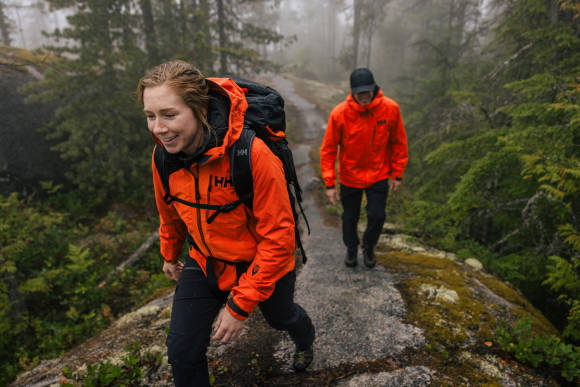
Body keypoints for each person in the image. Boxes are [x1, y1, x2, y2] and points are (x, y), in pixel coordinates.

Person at [137, 60, 315, 386]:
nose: (158, 128)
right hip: (206, 262)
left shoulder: (252, 154)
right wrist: (169, 253)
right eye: (151, 116)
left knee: (281, 316)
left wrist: (239, 305)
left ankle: (305, 340)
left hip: (262, 263)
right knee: (182, 353)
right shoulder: (163, 157)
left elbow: (279, 239)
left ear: (200, 108)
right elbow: (170, 212)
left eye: (169, 114)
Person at [320, 67, 408, 269]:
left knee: (378, 215)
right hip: (350, 176)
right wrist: (329, 183)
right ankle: (352, 248)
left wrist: (397, 173)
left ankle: (369, 246)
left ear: (374, 87)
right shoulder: (340, 113)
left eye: (367, 91)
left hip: (379, 173)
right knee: (349, 217)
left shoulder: (390, 109)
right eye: (359, 92)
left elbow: (399, 142)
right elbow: (328, 150)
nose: (364, 96)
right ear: (352, 91)